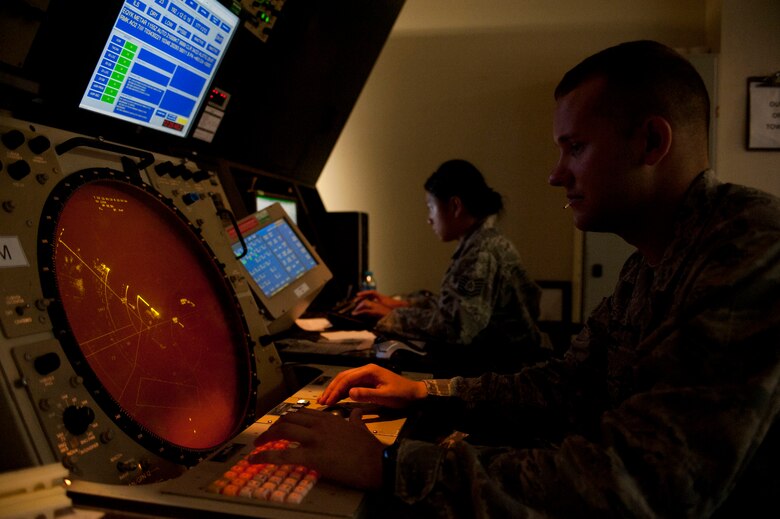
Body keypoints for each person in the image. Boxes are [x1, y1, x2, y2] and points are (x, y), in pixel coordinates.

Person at [250, 40, 780, 517]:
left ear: (650, 143)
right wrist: (425, 393)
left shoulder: (751, 248)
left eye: (575, 148)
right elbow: (565, 386)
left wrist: (391, 464)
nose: (555, 173)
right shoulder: (649, 263)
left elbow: (646, 483)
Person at [352, 159, 546, 375]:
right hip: (500, 362)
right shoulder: (483, 241)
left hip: (498, 372)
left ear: (455, 206)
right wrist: (399, 305)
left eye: (431, 207)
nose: (429, 219)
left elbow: (456, 327)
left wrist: (389, 318)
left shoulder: (481, 252)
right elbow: (456, 306)